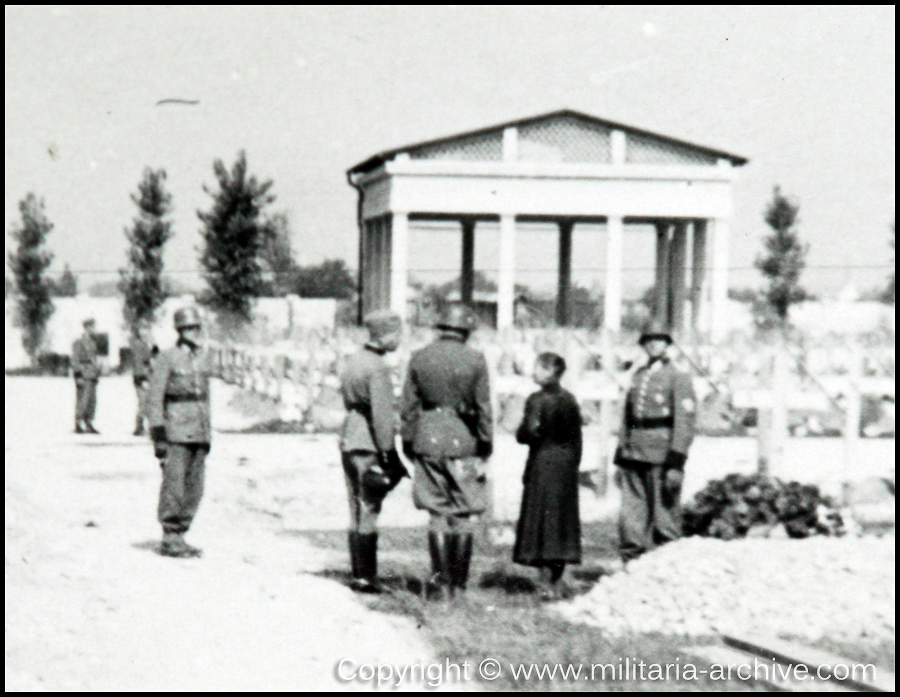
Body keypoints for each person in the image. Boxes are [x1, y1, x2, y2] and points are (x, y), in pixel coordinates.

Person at [401, 304, 493, 597]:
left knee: (437, 513)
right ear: (465, 330)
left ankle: (440, 584)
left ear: (441, 326)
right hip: (464, 441)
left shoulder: (420, 357)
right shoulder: (476, 360)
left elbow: (408, 408)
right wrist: (485, 442)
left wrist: (409, 440)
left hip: (427, 438)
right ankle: (459, 586)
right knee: (463, 513)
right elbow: (483, 407)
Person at [614, 319, 696, 562]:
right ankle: (631, 561)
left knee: (664, 515)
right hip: (634, 453)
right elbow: (627, 417)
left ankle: (665, 565)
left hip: (661, 455)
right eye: (649, 340)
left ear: (667, 344)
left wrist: (676, 461)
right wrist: (622, 449)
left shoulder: (677, 377)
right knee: (632, 514)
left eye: (659, 340)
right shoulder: (638, 376)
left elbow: (684, 422)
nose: (653, 345)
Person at [338, 310, 408, 593]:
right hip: (368, 439)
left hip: (349, 434)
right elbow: (381, 416)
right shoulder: (378, 366)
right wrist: (390, 454)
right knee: (369, 507)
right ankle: (366, 577)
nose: (400, 340)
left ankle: (358, 573)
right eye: (398, 334)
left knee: (355, 506)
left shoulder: (354, 360)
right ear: (386, 335)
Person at [513, 352, 582, 599]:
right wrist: (572, 465)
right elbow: (577, 439)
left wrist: (520, 432)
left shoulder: (537, 399)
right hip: (566, 466)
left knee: (542, 520)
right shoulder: (570, 400)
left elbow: (528, 433)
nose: (534, 373)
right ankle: (556, 580)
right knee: (561, 521)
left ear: (551, 372)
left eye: (539, 369)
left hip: (543, 462)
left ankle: (543, 583)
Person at [147, 307, 211, 558]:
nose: (195, 332)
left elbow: (206, 399)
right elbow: (154, 400)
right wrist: (159, 438)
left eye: (196, 327)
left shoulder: (202, 358)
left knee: (196, 487)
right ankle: (170, 536)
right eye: (189, 328)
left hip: (199, 431)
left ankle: (181, 533)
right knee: (174, 486)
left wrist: (208, 435)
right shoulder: (167, 358)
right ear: (180, 331)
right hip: (176, 432)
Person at [72, 318, 102, 434]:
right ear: (86, 328)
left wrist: (97, 372)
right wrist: (78, 374)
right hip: (84, 374)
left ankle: (89, 422)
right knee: (82, 400)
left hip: (92, 375)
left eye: (94, 327)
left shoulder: (93, 343)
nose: (94, 330)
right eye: (92, 327)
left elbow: (94, 359)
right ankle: (78, 423)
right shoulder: (78, 342)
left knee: (92, 400)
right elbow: (75, 359)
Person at [129, 325, 155, 436]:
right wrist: (142, 378)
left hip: (147, 376)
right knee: (144, 402)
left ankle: (147, 427)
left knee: (147, 402)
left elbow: (152, 358)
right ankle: (139, 427)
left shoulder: (145, 343)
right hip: (141, 377)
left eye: (147, 329)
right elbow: (138, 363)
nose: (145, 331)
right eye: (142, 329)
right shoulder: (138, 344)